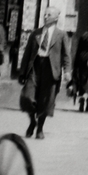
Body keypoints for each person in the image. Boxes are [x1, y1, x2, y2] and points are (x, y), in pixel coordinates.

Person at [19, 9, 68, 140]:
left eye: (49, 15)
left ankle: (40, 128)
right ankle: (32, 121)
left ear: (56, 18)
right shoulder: (36, 33)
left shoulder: (61, 35)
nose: (45, 16)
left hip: (51, 69)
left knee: (46, 101)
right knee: (27, 97)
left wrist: (67, 71)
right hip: (35, 67)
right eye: (44, 14)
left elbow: (66, 55)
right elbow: (27, 53)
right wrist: (22, 71)